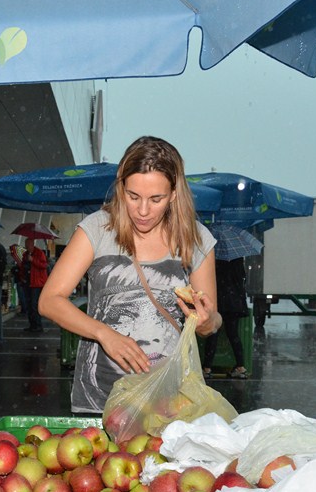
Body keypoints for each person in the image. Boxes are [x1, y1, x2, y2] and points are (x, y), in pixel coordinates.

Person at [39, 136, 222, 414]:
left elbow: (212, 322)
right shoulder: (97, 229)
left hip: (170, 399)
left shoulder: (196, 239)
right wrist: (104, 334)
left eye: (156, 199)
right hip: (100, 397)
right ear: (121, 186)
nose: (143, 211)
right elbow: (50, 300)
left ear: (174, 194)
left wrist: (207, 322)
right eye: (133, 196)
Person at [203, 257, 249, 379]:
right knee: (233, 334)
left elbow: (212, 279)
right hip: (234, 302)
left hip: (220, 300)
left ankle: (207, 368)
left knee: (213, 333)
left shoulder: (216, 259)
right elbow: (243, 278)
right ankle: (240, 367)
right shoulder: (238, 259)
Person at [25, 237, 48, 332]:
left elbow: (44, 265)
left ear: (32, 244)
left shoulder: (39, 253)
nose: (27, 246)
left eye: (28, 244)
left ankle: (38, 325)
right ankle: (32, 325)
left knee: (34, 305)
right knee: (29, 305)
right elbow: (23, 265)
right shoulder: (25, 254)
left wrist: (32, 260)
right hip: (28, 282)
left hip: (37, 283)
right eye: (26, 244)